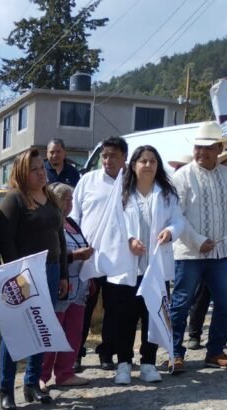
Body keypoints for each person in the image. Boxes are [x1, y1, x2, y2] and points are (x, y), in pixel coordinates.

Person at [0, 147, 68, 410]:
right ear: (22, 172)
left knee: (41, 328)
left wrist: (62, 273)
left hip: (50, 271)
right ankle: (6, 389)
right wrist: (18, 275)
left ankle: (32, 383)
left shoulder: (50, 197)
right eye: (34, 169)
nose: (41, 173)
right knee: (15, 332)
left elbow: (59, 237)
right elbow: (6, 242)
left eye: (42, 168)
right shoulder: (13, 201)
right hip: (24, 275)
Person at [169, 121, 227, 371]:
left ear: (219, 148)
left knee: (226, 301)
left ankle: (215, 351)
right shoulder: (182, 176)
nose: (201, 152)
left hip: (221, 253)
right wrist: (198, 241)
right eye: (198, 147)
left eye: (207, 148)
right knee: (181, 303)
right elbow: (176, 216)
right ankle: (175, 352)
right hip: (189, 252)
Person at [117, 145, 185, 384]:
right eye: (143, 161)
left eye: (153, 161)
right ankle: (123, 364)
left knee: (153, 317)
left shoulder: (167, 193)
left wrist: (169, 231)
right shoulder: (122, 193)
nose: (148, 165)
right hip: (129, 268)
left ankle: (148, 363)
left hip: (156, 269)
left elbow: (179, 221)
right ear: (133, 165)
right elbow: (114, 226)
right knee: (125, 317)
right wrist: (128, 240)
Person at [73, 136, 128, 370]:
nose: (107, 160)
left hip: (118, 256)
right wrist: (75, 247)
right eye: (104, 156)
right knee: (82, 308)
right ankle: (74, 354)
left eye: (113, 155)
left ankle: (107, 352)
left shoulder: (130, 184)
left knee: (114, 308)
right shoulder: (87, 180)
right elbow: (74, 216)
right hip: (89, 256)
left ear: (124, 157)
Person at [40, 182, 93, 388]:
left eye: (71, 199)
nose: (69, 204)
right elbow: (50, 254)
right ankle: (41, 375)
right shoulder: (49, 222)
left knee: (73, 330)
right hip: (58, 285)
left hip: (79, 287)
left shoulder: (72, 222)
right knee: (52, 330)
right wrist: (74, 256)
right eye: (65, 199)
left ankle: (65, 372)